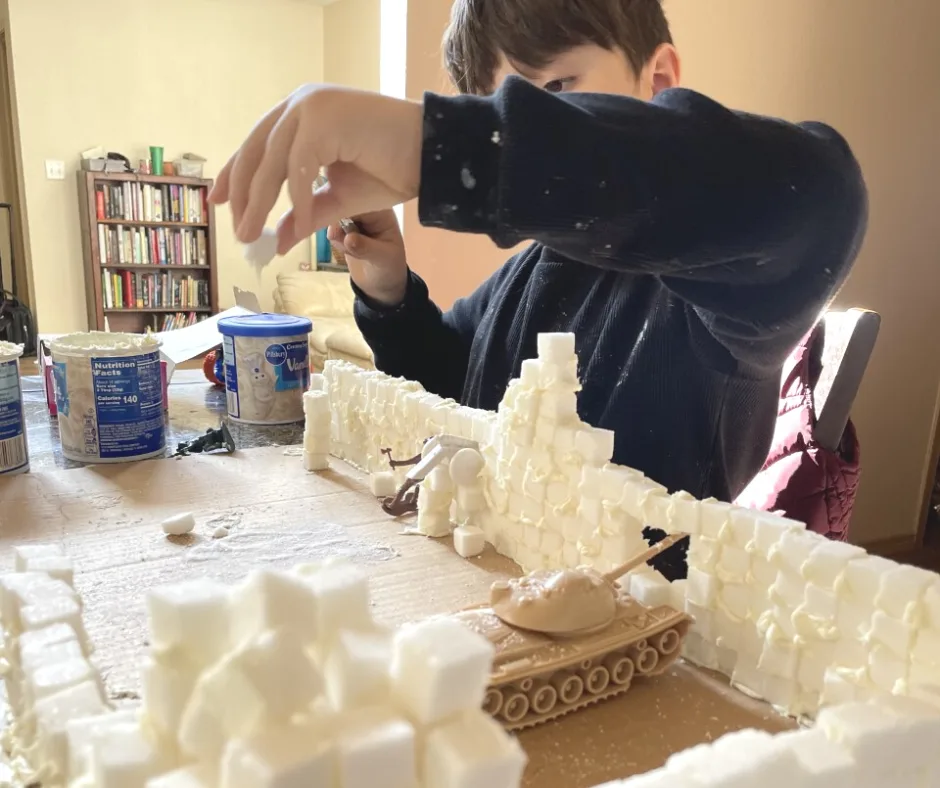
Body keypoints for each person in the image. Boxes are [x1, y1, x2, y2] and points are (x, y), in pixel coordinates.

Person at [210, 0, 867, 578]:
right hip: (487, 582)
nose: (525, 130)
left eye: (554, 95)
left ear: (658, 80)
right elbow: (447, 388)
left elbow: (817, 196)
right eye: (501, 109)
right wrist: (388, 288)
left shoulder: (710, 287)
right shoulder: (526, 272)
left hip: (642, 634)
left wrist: (453, 148)